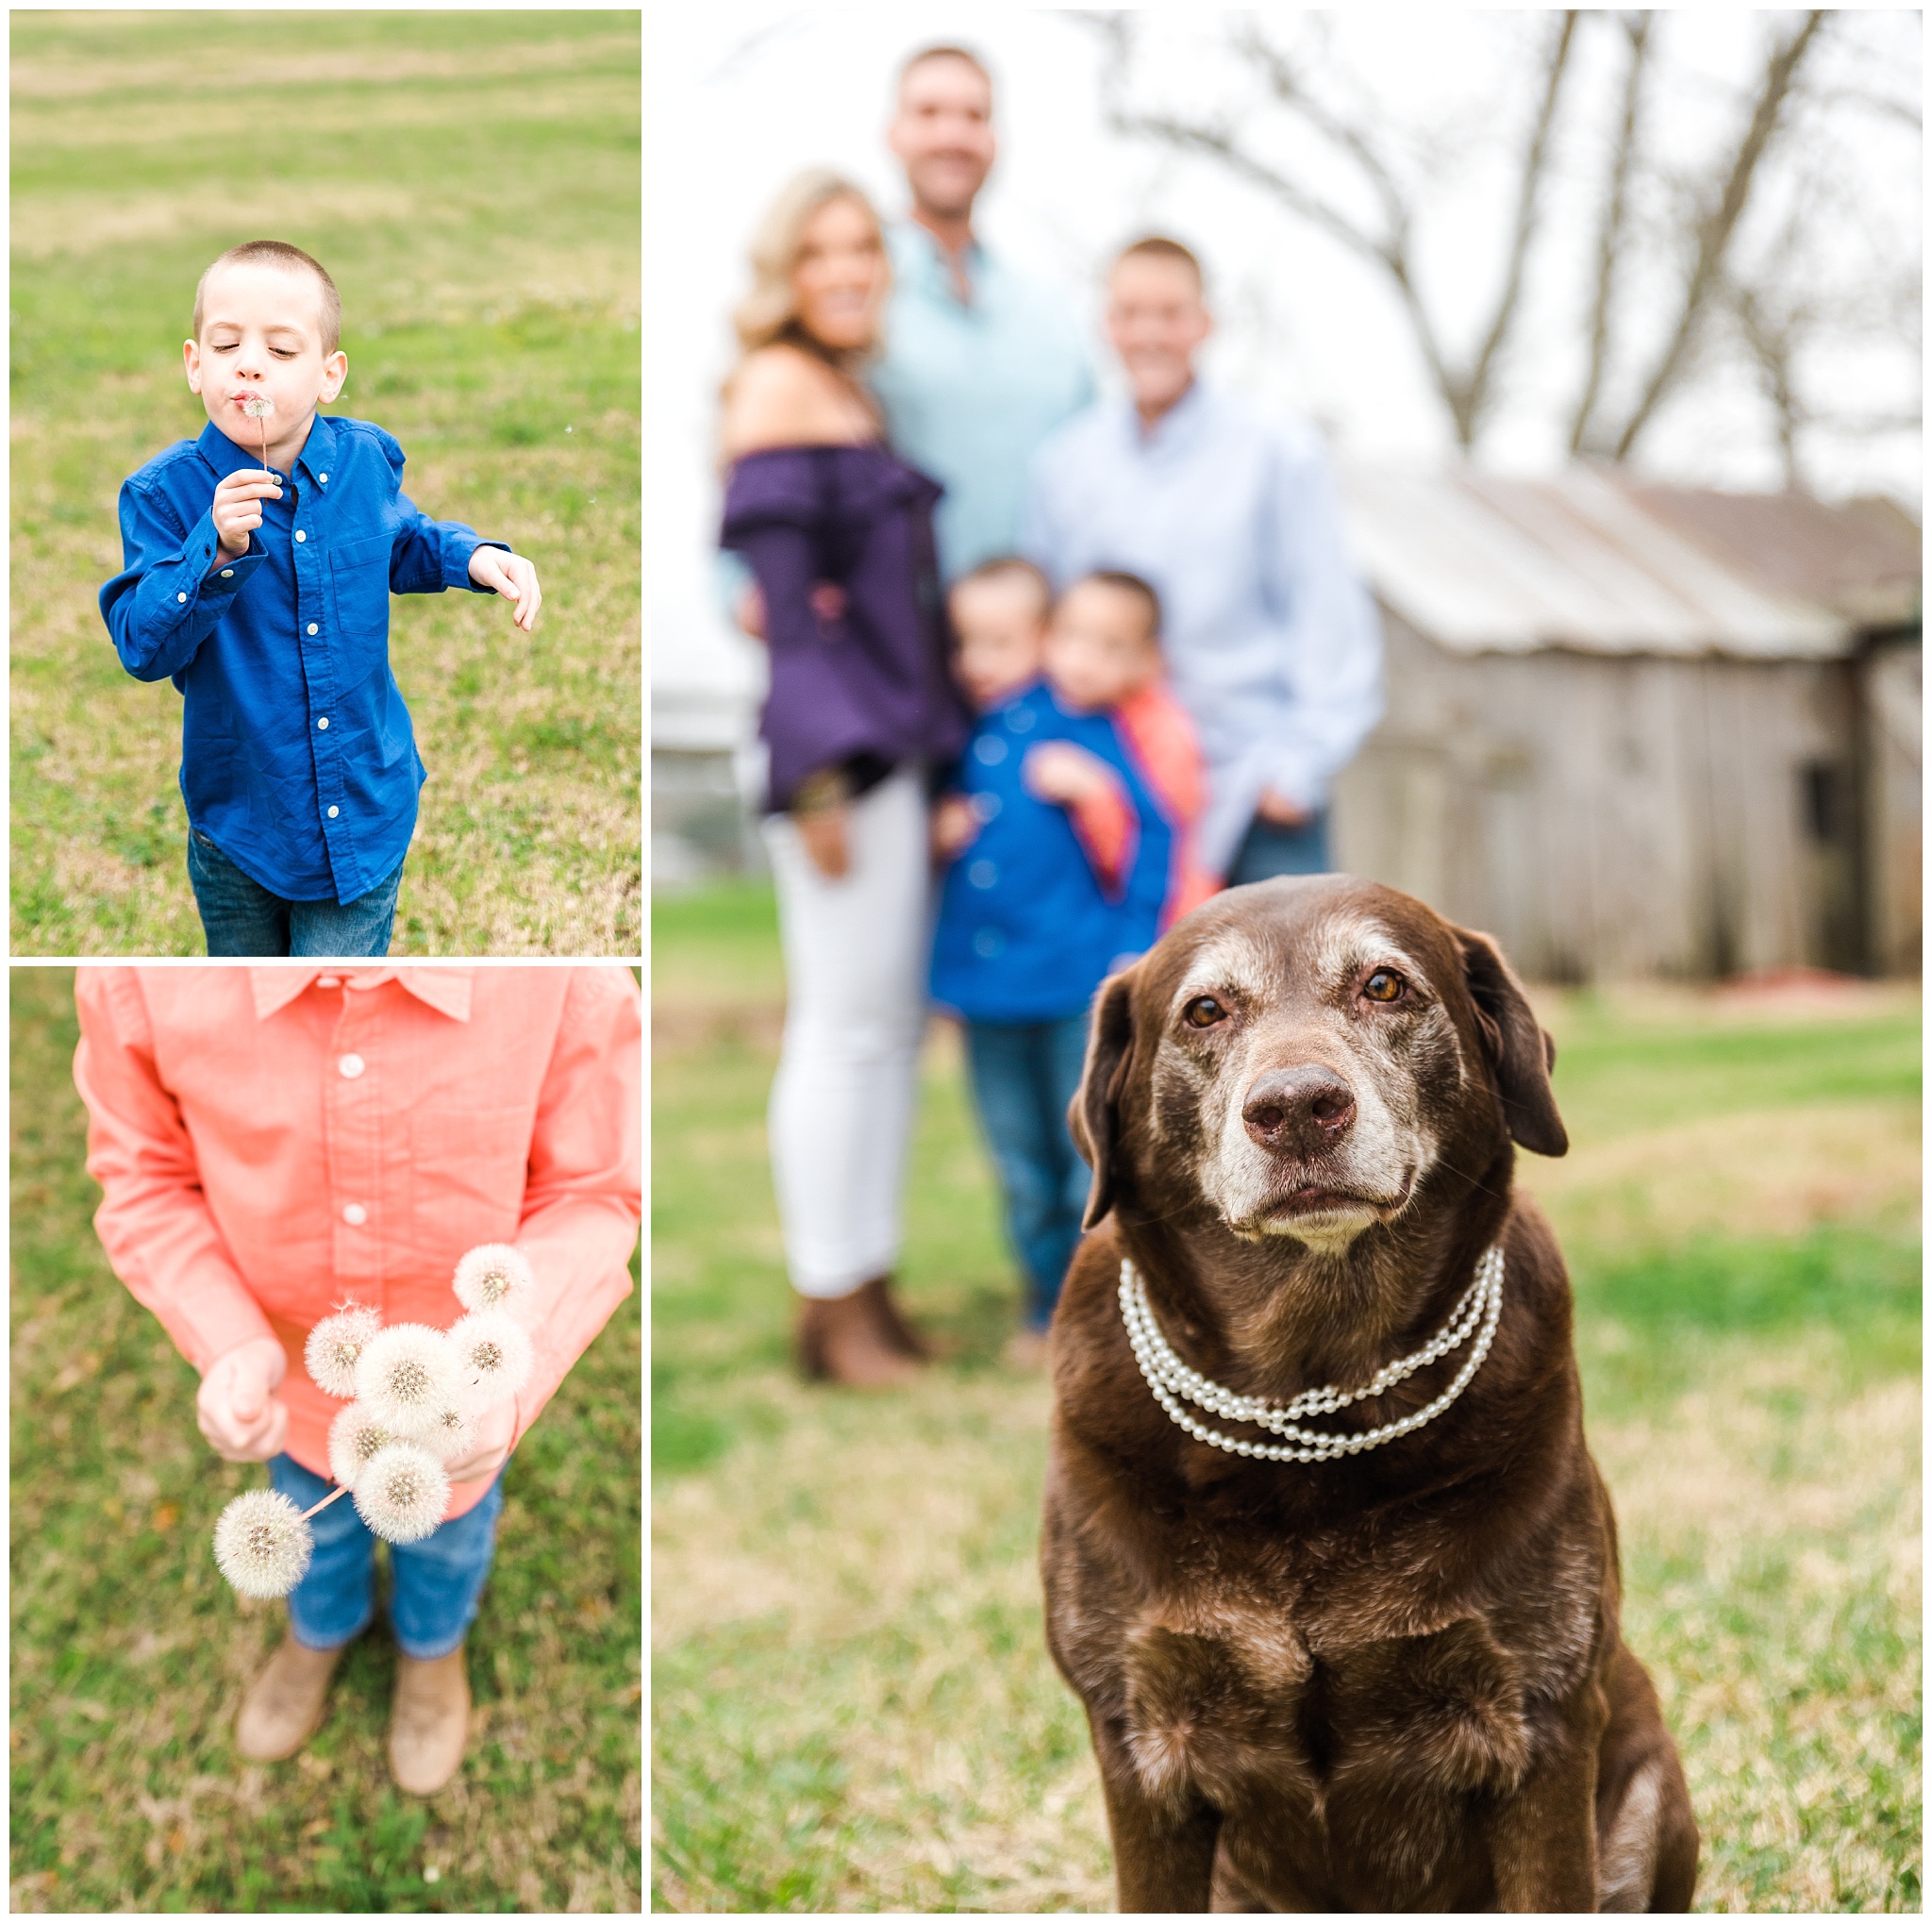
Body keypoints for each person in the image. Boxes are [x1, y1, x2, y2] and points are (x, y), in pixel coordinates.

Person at [71, 964, 641, 1794]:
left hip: (458, 1414)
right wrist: (229, 1340)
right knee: (317, 1530)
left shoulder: (563, 986)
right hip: (294, 1389)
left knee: (450, 1541)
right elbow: (145, 1175)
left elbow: (590, 1191)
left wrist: (506, 1376)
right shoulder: (140, 985)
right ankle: (319, 1631)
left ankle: (432, 1650)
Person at [98, 240, 542, 958]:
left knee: (332, 997)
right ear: (194, 364)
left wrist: (476, 555)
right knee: (251, 1002)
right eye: (226, 344)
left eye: (280, 349)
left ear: (329, 375)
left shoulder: (363, 460)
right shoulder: (165, 495)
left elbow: (403, 539)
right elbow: (142, 647)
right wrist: (210, 551)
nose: (249, 364)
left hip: (365, 806)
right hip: (240, 817)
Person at [718, 171, 972, 1389]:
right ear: (786, 269)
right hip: (840, 757)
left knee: (881, 1031)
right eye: (819, 249)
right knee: (838, 1029)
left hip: (897, 742)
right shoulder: (775, 385)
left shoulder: (854, 394)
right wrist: (815, 778)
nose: (848, 268)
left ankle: (872, 1285)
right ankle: (830, 1307)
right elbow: (786, 617)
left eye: (863, 246)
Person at [1024, 236, 1383, 886]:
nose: (1151, 333)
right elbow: (1047, 614)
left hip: (1252, 786)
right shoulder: (1066, 463)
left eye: (1171, 313)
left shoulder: (1278, 451)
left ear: (1204, 324)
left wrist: (1298, 768)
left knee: (1291, 984)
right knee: (1132, 988)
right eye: (1131, 313)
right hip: (1120, 790)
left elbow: (1328, 615)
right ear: (1108, 325)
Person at [930, 559, 1171, 1361]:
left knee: (1084, 1157)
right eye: (966, 642)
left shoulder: (1086, 727)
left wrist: (1135, 934)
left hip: (1074, 982)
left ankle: (1101, 1308)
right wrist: (942, 830)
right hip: (983, 987)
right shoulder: (967, 730)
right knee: (1018, 1161)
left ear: (1042, 638)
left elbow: (1154, 830)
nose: (978, 659)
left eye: (1000, 641)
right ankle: (1044, 1305)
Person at [870, 43, 1093, 580]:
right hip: (894, 636)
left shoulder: (1049, 313)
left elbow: (1097, 466)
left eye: (974, 116)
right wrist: (745, 584)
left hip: (1031, 642)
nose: (953, 135)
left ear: (995, 141)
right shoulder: (855, 293)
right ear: (893, 134)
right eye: (929, 113)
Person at [1041, 570, 1220, 929]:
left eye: (1111, 646)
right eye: (1071, 635)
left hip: (1166, 920)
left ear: (1150, 660)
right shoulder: (1046, 705)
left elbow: (1165, 834)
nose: (1082, 659)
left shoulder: (1162, 730)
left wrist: (1093, 796)